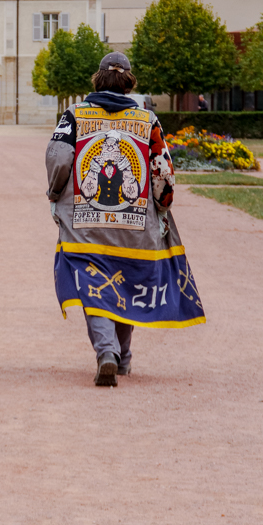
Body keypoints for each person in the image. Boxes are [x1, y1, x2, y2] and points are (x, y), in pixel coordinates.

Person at [45, 51, 205, 387]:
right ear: (130, 81)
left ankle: (107, 352)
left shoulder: (74, 115)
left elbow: (59, 157)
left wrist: (56, 191)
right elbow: (162, 170)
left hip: (86, 221)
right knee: (127, 283)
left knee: (94, 285)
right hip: (134, 223)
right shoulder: (147, 120)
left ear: (98, 79)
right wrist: (162, 204)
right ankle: (123, 357)